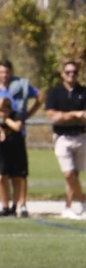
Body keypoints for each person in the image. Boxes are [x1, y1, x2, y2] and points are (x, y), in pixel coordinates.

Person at [0, 60, 39, 217]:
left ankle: (20, 205)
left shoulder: (20, 87)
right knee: (2, 176)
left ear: (11, 72)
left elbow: (40, 96)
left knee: (18, 175)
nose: (4, 75)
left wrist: (28, 114)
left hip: (16, 138)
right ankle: (5, 206)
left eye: (7, 72)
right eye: (1, 72)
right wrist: (0, 127)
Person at [44, 59, 86, 218]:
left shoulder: (83, 91)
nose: (71, 75)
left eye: (74, 72)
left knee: (75, 175)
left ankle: (68, 207)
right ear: (62, 74)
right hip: (62, 137)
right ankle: (83, 200)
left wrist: (64, 116)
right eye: (68, 72)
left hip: (81, 136)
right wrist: (75, 115)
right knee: (68, 174)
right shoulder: (55, 92)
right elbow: (52, 116)